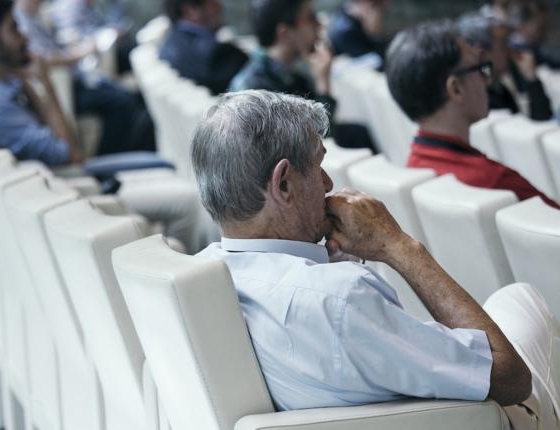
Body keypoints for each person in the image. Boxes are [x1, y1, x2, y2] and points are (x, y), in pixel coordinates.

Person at [192, 90, 559, 429]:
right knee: (522, 296)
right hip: (475, 420)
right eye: (318, 166)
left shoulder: (205, 277)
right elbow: (510, 377)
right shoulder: (339, 298)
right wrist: (397, 246)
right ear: (284, 184)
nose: (327, 182)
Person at [0, 0, 203, 253]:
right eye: (14, 28)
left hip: (62, 189)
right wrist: (44, 83)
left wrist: (25, 82)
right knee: (188, 203)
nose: (24, 35)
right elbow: (71, 156)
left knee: (161, 162)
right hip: (68, 199)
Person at [386, 20, 559, 209]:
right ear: (456, 89)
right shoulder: (495, 182)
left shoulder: (415, 169)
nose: (486, 81)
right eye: (480, 69)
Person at [13, 0, 156, 156]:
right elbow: (42, 59)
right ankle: (111, 157)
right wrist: (80, 53)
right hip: (69, 88)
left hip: (77, 77)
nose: (22, 38)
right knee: (122, 102)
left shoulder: (34, 16)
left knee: (131, 96)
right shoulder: (22, 21)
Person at [229, 0, 375, 151]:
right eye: (311, 18)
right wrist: (323, 84)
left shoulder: (288, 74)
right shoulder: (256, 93)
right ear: (285, 33)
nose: (319, 24)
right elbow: (314, 143)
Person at [457, 10, 553, 120]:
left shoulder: (497, 89)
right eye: (503, 44)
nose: (510, 50)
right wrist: (532, 79)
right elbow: (539, 126)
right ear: (482, 54)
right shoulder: (483, 100)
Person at [159, 0, 248, 94]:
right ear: (191, 10)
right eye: (213, 2)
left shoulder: (167, 47)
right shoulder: (219, 55)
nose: (220, 7)